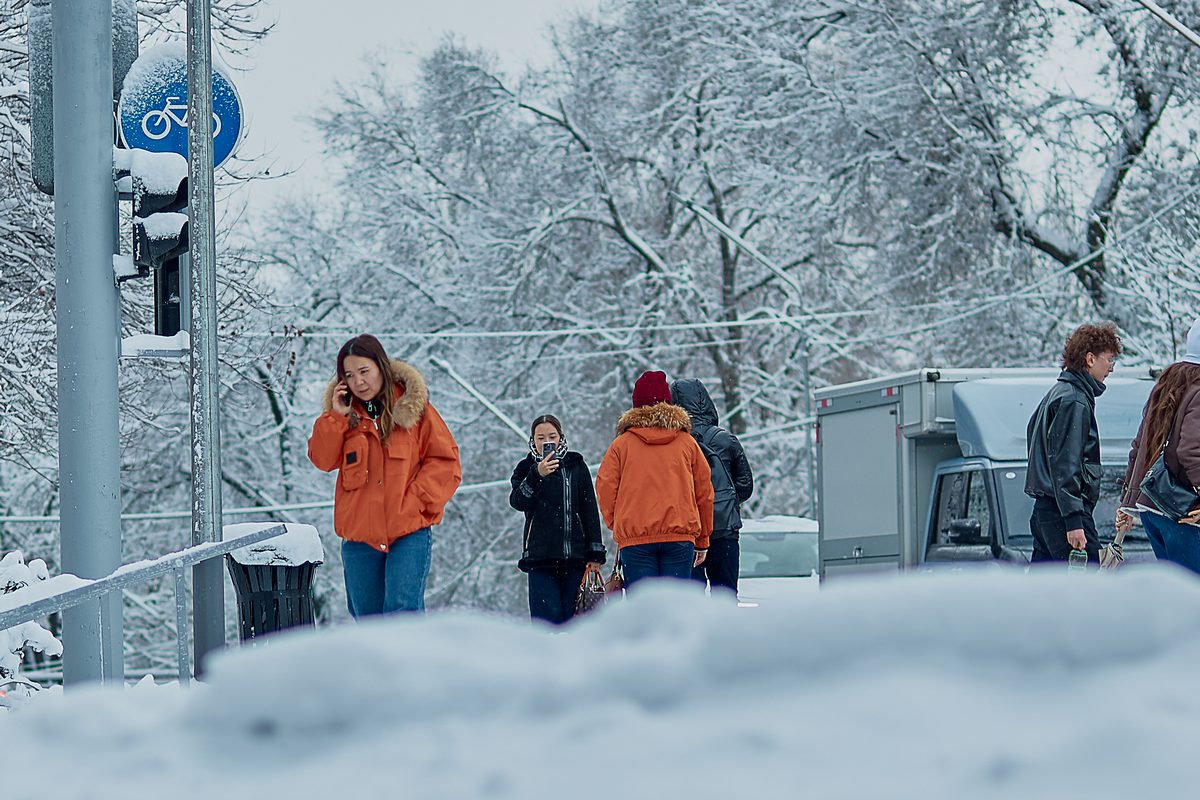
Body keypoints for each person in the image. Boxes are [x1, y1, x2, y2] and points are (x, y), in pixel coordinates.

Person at [307, 334, 461, 616]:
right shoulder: (343, 419)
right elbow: (322, 459)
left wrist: (415, 503)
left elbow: (445, 462)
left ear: (381, 367)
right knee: (368, 619)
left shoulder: (414, 411)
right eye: (349, 375)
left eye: (364, 371)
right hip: (359, 539)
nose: (359, 381)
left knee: (402, 614)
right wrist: (336, 418)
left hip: (408, 532)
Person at [596, 370, 714, 589]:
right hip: (679, 537)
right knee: (675, 602)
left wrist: (619, 522)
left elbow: (605, 487)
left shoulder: (621, 445)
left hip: (635, 540)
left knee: (643, 604)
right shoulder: (687, 443)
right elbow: (704, 491)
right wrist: (703, 538)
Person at [1025, 322, 1122, 565]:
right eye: (1109, 360)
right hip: (1064, 515)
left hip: (1046, 510)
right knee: (1087, 585)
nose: (1111, 368)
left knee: (1043, 585)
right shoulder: (1075, 400)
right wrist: (1073, 520)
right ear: (1090, 359)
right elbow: (1066, 464)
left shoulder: (1058, 393)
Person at [1116, 318, 1200, 573]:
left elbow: (1140, 446)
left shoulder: (1169, 384)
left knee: (1177, 590)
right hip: (1184, 512)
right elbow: (1191, 451)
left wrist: (1128, 501)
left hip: (1154, 507)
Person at [509, 414, 606, 624]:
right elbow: (517, 501)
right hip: (539, 560)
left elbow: (589, 509)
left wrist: (595, 553)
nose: (547, 442)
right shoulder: (525, 468)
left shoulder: (575, 465)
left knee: (576, 624)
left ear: (561, 437)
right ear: (533, 440)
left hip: (575, 558)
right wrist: (537, 475)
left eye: (552, 436)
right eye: (541, 438)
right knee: (545, 626)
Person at [670, 378, 753, 595]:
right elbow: (745, 486)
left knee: (691, 598)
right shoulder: (726, 440)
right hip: (724, 530)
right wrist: (725, 501)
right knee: (725, 596)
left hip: (689, 531)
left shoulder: (674, 444)